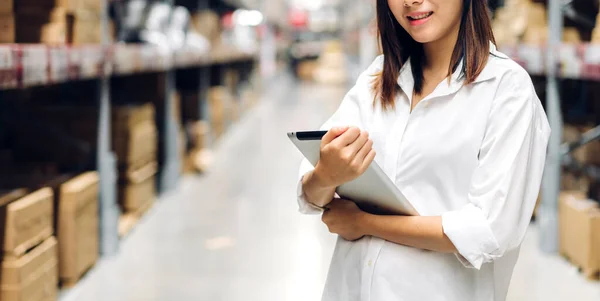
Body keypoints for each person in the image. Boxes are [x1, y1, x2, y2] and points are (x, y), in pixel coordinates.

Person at [296, 0, 551, 301]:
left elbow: (489, 230)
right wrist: (325, 175)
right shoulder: (376, 79)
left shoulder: (505, 88)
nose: (410, 1)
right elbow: (311, 195)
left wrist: (364, 223)